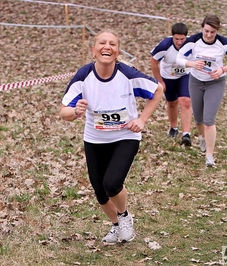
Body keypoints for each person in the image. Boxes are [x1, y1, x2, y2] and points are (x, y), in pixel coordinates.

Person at [59, 29, 163, 244]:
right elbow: (64, 113)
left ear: (117, 52)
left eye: (112, 44)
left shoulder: (128, 74)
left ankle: (124, 217)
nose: (107, 47)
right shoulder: (83, 75)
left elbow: (157, 90)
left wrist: (142, 119)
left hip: (125, 136)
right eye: (102, 43)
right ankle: (116, 227)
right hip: (95, 138)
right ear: (93, 50)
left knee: (113, 184)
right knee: (100, 192)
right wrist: (76, 111)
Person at [176, 15, 227, 167]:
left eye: (212, 32)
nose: (209, 35)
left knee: (209, 120)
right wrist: (192, 63)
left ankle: (209, 156)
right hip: (196, 82)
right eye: (206, 31)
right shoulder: (193, 41)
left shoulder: (223, 43)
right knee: (198, 119)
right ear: (202, 28)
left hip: (215, 83)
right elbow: (179, 58)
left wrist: (223, 69)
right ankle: (204, 138)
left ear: (217, 31)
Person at [150, 22, 192, 146]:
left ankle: (186, 134)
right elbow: (153, 62)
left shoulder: (192, 44)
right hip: (168, 77)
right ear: (172, 37)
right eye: (176, 39)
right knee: (172, 103)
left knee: (185, 101)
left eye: (182, 39)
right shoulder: (165, 45)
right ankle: (174, 128)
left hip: (185, 75)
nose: (179, 42)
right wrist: (160, 81)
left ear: (186, 37)